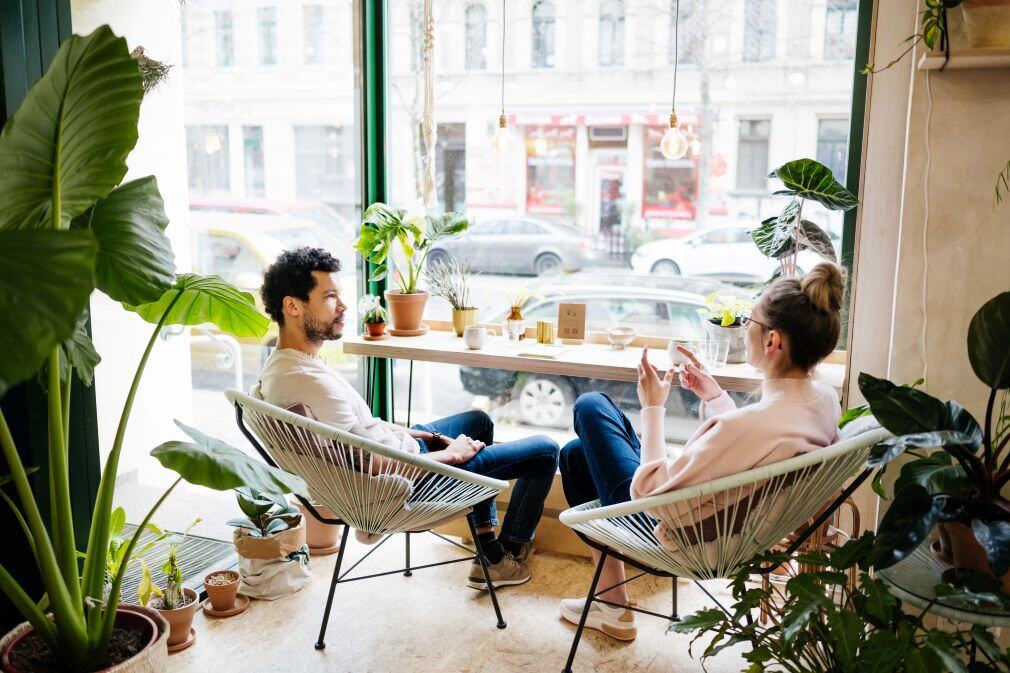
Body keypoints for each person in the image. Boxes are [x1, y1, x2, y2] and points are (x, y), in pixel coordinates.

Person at [557, 263, 846, 641]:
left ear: (773, 341)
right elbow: (757, 444)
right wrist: (716, 397)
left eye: (750, 322)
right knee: (577, 456)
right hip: (728, 524)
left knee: (592, 405)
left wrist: (653, 407)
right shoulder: (822, 401)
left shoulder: (745, 426)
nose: (744, 329)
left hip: (675, 533)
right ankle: (612, 605)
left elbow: (647, 495)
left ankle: (612, 604)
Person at [253, 247, 560, 590]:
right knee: (546, 451)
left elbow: (362, 432)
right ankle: (509, 548)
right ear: (292, 306)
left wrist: (424, 437)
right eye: (329, 296)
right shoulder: (305, 381)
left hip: (406, 457)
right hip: (409, 482)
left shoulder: (289, 366)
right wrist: (449, 455)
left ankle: (488, 552)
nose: (343, 306)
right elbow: (373, 461)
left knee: (476, 421)